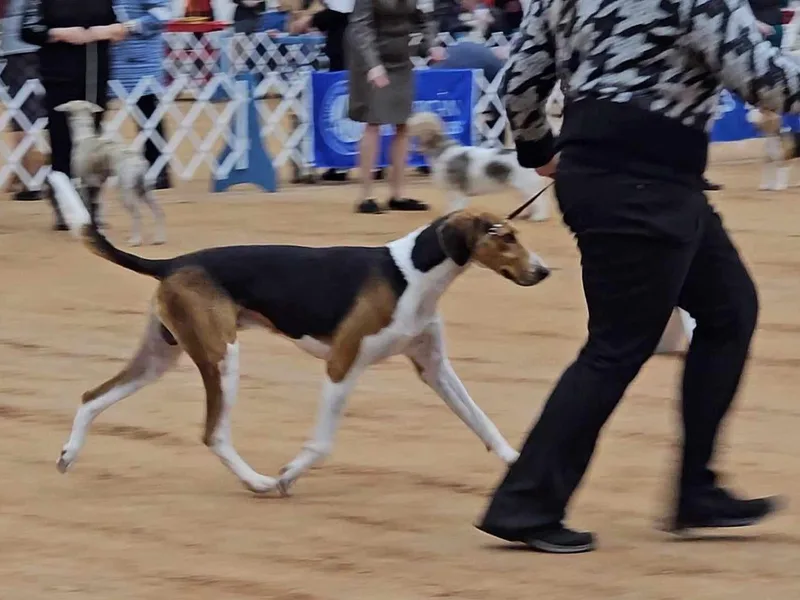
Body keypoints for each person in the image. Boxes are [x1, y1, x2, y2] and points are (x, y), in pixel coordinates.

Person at [476, 0, 800, 554]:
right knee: (618, 345)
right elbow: (769, 85)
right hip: (650, 187)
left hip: (616, 179)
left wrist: (537, 148)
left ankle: (696, 489)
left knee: (728, 309)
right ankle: (525, 503)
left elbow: (521, 80)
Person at [21, 0, 125, 230]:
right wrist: (59, 34)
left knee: (93, 147)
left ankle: (92, 205)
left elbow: (120, 27)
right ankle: (63, 204)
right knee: (62, 143)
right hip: (59, 78)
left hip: (95, 79)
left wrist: (105, 31)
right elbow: (28, 30)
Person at [347, 0, 443, 214]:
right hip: (369, 58)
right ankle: (366, 196)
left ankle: (398, 194)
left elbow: (425, 19)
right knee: (373, 122)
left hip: (401, 59)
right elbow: (361, 28)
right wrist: (373, 65)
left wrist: (431, 45)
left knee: (403, 123)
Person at [111, 0, 172, 190]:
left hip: (141, 62)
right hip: (110, 58)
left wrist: (129, 27)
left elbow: (162, 15)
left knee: (148, 115)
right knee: (95, 111)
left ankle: (158, 171)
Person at [291, 0, 352, 182]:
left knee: (342, 113)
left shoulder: (337, 11)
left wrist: (308, 18)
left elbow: (324, 18)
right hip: (365, 58)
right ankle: (376, 165)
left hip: (343, 59)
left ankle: (340, 166)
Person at [1, 0, 46, 201]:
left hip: (18, 48)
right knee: (34, 112)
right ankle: (25, 173)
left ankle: (30, 176)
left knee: (22, 116)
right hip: (42, 45)